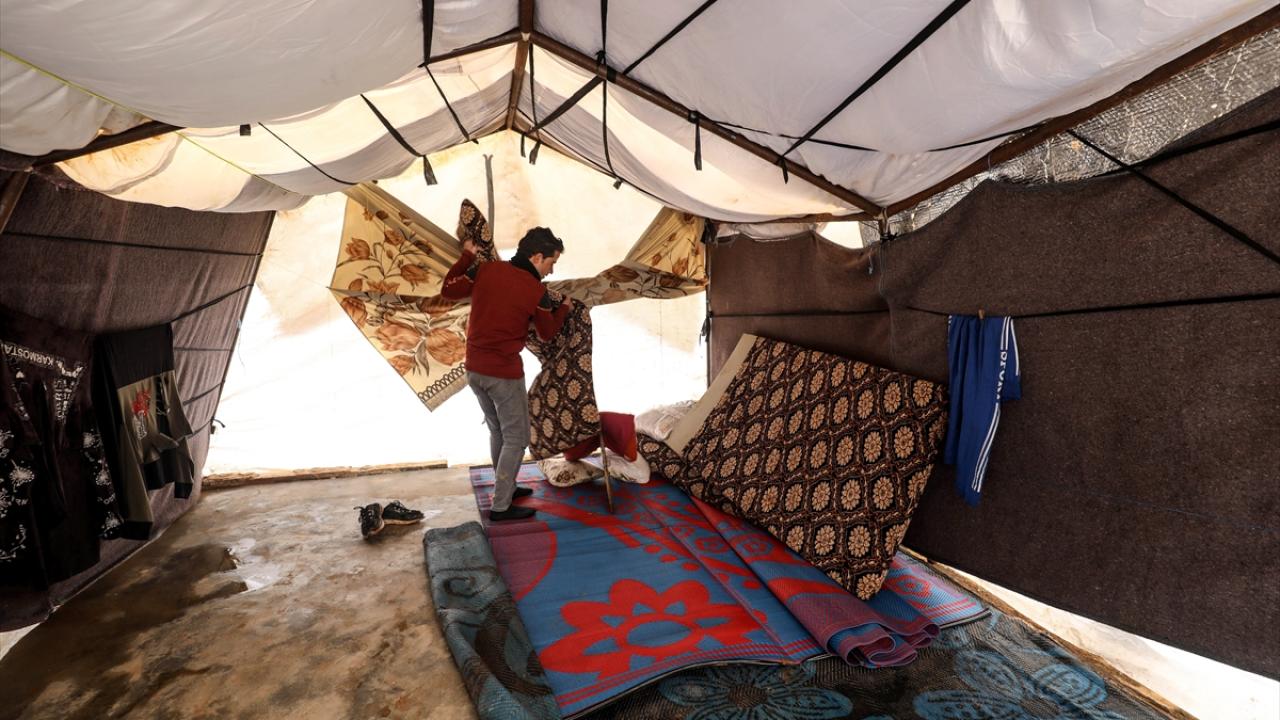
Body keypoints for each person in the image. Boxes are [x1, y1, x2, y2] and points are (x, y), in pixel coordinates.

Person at [442, 227, 571, 521]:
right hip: (503, 374)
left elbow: (448, 289)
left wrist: (466, 256)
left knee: (498, 430)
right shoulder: (536, 291)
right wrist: (563, 309)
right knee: (517, 438)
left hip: (474, 370)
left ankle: (508, 489)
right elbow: (547, 333)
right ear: (536, 257)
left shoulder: (486, 270)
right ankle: (501, 506)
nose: (551, 271)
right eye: (551, 262)